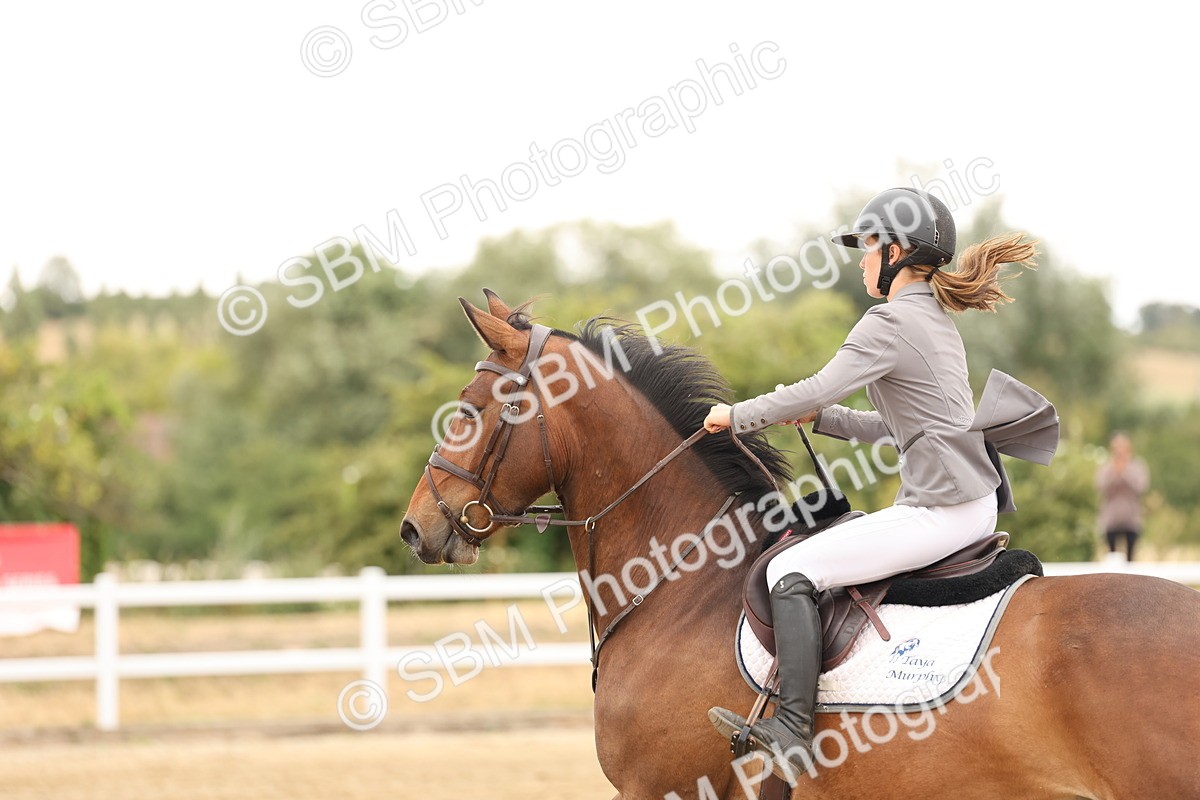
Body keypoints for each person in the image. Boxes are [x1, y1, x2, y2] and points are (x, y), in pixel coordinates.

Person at [702, 187, 1059, 780]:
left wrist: (735, 415)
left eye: (868, 247)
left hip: (941, 510)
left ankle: (791, 729)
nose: (862, 259)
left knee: (788, 570)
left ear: (896, 251)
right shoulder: (933, 319)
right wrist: (823, 419)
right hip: (971, 503)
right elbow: (898, 427)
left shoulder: (889, 320)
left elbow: (817, 385)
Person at [1096, 432, 1149, 561]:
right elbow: (1101, 487)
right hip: (1111, 519)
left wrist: (1124, 472)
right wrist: (1114, 473)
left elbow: (1141, 487)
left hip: (1132, 518)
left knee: (1131, 557)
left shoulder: (1137, 466)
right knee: (1111, 556)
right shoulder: (1106, 467)